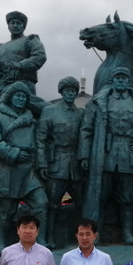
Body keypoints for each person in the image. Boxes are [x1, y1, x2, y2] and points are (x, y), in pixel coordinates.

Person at [79, 66, 133, 244]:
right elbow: (86, 129)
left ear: (129, 81)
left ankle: (127, 233)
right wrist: (84, 156)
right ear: (113, 80)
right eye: (118, 78)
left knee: (127, 198)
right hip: (104, 154)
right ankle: (96, 233)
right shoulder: (99, 101)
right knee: (100, 196)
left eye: (124, 78)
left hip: (130, 155)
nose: (121, 81)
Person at [0, 81, 48, 251]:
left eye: (23, 96)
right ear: (10, 98)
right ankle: (0, 244)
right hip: (7, 169)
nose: (20, 99)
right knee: (4, 211)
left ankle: (41, 240)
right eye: (17, 95)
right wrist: (14, 153)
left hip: (28, 170)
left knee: (41, 203)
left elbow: (40, 142)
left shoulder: (31, 121)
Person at [35, 76, 85, 249]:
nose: (70, 94)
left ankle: (82, 238)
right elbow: (40, 139)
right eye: (67, 91)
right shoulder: (50, 111)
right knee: (52, 204)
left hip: (76, 165)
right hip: (56, 163)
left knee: (81, 203)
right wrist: (42, 163)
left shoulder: (81, 114)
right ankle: (49, 237)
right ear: (61, 92)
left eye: (73, 91)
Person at [0, 10, 47, 94]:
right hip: (3, 87)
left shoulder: (30, 40)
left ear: (23, 26)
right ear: (8, 26)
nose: (15, 26)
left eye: (18, 23)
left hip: (24, 85)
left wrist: (20, 65)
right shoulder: (1, 47)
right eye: (12, 23)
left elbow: (40, 56)